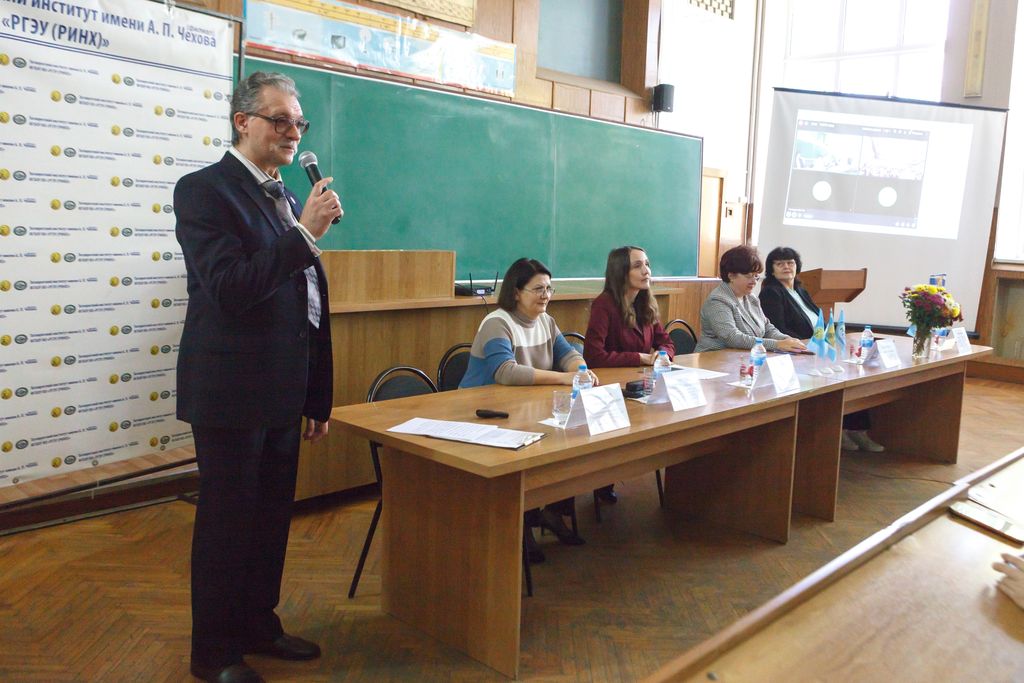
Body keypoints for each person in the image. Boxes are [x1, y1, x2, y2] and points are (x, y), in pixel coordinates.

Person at [174, 71, 343, 683]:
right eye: (280, 120)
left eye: (299, 122)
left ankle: (256, 625)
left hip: (281, 389)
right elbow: (230, 288)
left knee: (270, 518)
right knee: (228, 524)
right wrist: (304, 234)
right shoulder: (203, 191)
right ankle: (214, 653)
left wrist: (316, 393)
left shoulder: (286, 198)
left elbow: (307, 302)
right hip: (230, 392)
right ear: (242, 122)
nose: (293, 132)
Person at [460, 257, 597, 562]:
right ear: (516, 292)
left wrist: (581, 370)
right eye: (538, 289)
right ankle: (520, 527)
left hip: (526, 408)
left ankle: (551, 513)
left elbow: (568, 355)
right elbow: (505, 372)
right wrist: (564, 378)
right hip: (484, 414)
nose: (545, 295)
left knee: (571, 442)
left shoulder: (546, 321)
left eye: (549, 288)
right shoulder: (497, 322)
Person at [759, 246, 885, 453]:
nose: (786, 267)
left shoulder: (800, 290)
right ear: (771, 269)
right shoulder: (771, 293)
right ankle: (840, 432)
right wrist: (808, 344)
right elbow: (778, 329)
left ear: (797, 266)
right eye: (779, 264)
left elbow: (818, 321)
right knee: (839, 379)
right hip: (797, 354)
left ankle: (857, 430)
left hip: (816, 350)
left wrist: (831, 336)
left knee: (853, 376)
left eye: (790, 263)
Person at [583, 245, 675, 503]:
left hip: (639, 386)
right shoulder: (604, 305)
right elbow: (594, 356)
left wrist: (663, 354)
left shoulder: (645, 302)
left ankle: (607, 481)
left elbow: (666, 341)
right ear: (621, 272)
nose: (646, 271)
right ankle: (602, 480)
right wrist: (641, 357)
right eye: (638, 266)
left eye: (647, 264)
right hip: (610, 392)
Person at [694, 245, 808, 354]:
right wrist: (777, 344)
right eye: (749, 276)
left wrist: (788, 340)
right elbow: (732, 337)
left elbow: (767, 328)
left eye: (756, 276)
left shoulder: (751, 298)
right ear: (731, 276)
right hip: (714, 359)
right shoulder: (718, 300)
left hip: (743, 357)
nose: (754, 281)